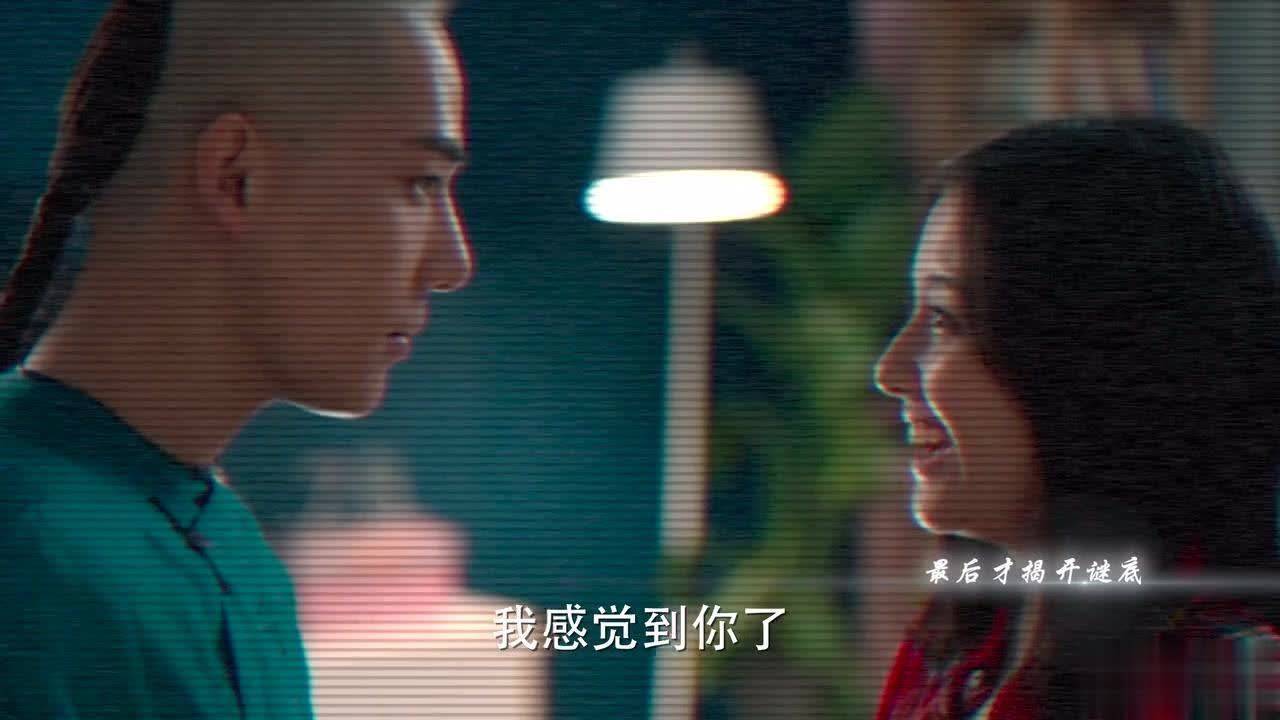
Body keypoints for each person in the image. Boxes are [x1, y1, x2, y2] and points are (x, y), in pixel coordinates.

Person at [0, 0, 472, 717]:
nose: (452, 263)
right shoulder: (32, 560)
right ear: (236, 176)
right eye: (418, 184)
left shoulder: (233, 549)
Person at [873, 116, 1280, 719]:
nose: (890, 371)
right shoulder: (954, 658)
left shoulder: (1227, 682)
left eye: (944, 320)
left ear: (1087, 357)